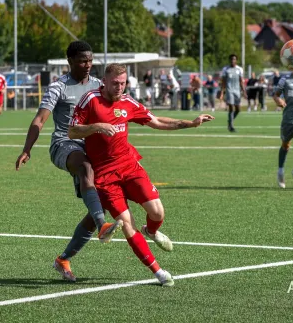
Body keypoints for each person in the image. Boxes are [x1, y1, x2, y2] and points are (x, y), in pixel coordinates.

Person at [69, 63, 214, 286]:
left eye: (123, 83)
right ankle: (158, 272)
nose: (119, 87)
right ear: (105, 81)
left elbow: (156, 121)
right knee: (127, 224)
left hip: (129, 166)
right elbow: (72, 131)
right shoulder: (90, 100)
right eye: (115, 83)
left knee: (157, 212)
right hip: (105, 177)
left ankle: (152, 231)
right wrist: (96, 126)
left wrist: (191, 124)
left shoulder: (128, 102)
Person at [15, 41, 122, 283]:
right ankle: (103, 226)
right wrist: (27, 149)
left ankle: (63, 259)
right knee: (84, 168)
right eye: (83, 60)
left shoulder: (99, 86)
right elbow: (39, 120)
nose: (88, 65)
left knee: (98, 202)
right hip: (64, 144)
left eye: (91, 60)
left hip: (92, 147)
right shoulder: (58, 87)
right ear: (70, 62)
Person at [220, 54, 247, 132]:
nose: (233, 61)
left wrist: (244, 92)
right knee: (231, 107)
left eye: (234, 59)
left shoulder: (239, 69)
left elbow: (241, 81)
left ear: (236, 60)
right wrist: (222, 92)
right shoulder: (226, 69)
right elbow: (223, 82)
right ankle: (231, 126)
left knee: (238, 109)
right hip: (229, 90)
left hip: (237, 91)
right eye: (231, 59)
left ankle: (230, 121)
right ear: (229, 60)